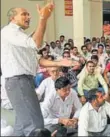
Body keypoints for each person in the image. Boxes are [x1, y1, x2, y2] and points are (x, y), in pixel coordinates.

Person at [1, 3, 79, 136]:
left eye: (28, 14)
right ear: (13, 18)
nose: (28, 16)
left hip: (23, 81)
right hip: (19, 81)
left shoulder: (20, 37)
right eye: (24, 14)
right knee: (35, 125)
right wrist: (43, 18)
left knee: (22, 124)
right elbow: (36, 43)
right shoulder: (9, 31)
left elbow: (37, 60)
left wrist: (61, 62)